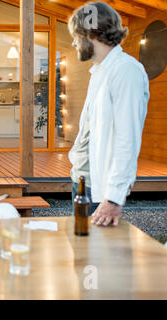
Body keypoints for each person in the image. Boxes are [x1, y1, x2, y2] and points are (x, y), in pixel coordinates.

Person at [68, 2, 149, 227]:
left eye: (76, 35)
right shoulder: (99, 72)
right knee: (82, 251)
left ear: (90, 34)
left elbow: (127, 139)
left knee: (100, 257)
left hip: (100, 189)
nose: (74, 42)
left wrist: (113, 199)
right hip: (82, 180)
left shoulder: (126, 71)